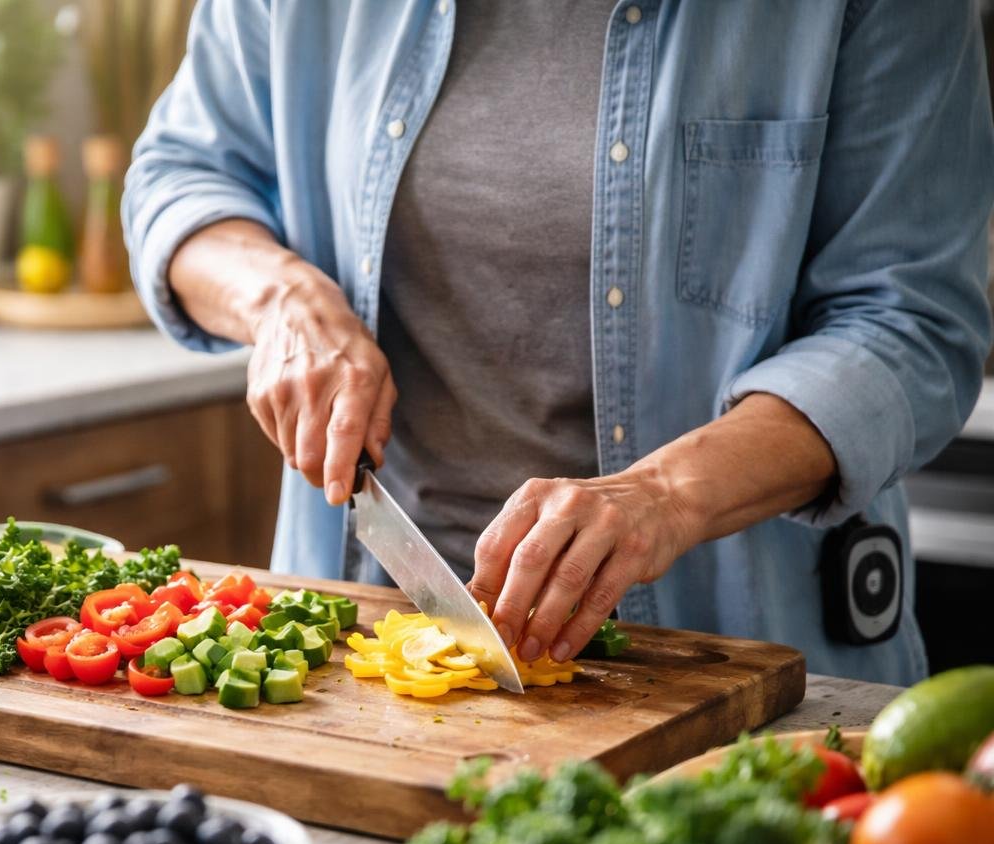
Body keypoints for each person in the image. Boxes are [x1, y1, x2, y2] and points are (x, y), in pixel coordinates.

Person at [122, 0, 994, 685]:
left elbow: (910, 325)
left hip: (732, 654)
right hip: (364, 656)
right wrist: (281, 299)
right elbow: (180, 174)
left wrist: (661, 496)